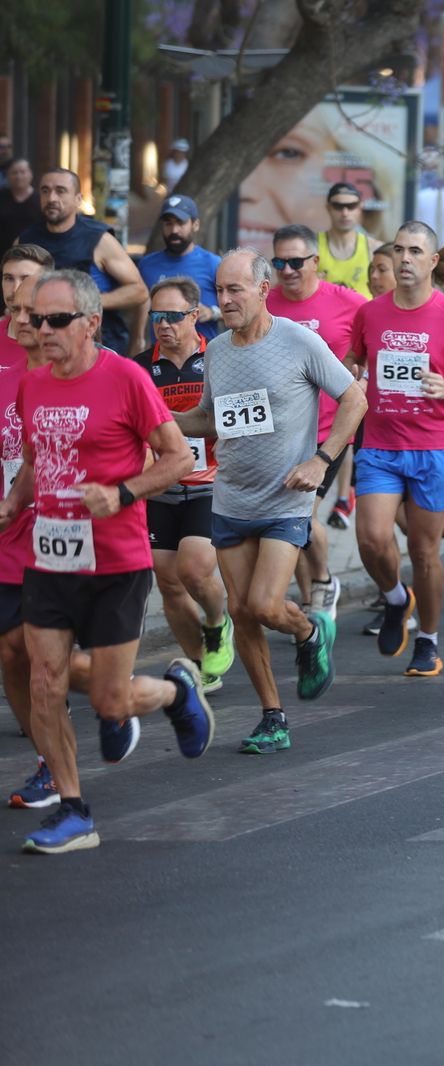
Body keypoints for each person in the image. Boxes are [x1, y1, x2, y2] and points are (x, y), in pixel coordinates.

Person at [0, 269, 214, 853]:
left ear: (93, 323)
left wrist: (121, 493)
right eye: (36, 319)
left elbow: (175, 458)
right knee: (46, 681)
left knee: (110, 701)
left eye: (57, 320)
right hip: (50, 557)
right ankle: (73, 810)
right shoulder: (34, 385)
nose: (42, 330)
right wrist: (13, 502)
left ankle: (174, 692)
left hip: (116, 562)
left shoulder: (126, 379)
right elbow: (32, 461)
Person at [171, 249, 365, 753]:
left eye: (236, 290)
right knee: (242, 610)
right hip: (231, 497)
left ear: (262, 290)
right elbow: (211, 418)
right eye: (220, 290)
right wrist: (160, 423)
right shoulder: (215, 351)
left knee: (264, 603)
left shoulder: (299, 341)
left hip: (286, 499)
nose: (226, 299)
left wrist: (322, 460)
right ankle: (272, 716)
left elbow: (355, 399)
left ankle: (306, 632)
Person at [347, 221, 444, 678]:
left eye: (414, 252)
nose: (405, 259)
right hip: (381, 443)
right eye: (399, 250)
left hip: (433, 446)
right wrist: (353, 379)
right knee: (371, 538)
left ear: (432, 261)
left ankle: (428, 638)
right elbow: (353, 363)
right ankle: (393, 597)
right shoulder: (371, 313)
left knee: (425, 552)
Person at [265, 223, 369, 613]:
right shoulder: (266, 301)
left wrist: (358, 368)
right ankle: (312, 601)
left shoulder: (347, 302)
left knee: (301, 517)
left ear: (316, 262)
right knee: (288, 523)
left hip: (329, 430)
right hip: (279, 432)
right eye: (279, 262)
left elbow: (376, 334)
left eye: (296, 261)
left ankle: (324, 581)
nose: (287, 270)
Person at [140, 277, 235, 692]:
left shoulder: (219, 357)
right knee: (167, 579)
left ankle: (217, 621)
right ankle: (201, 665)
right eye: (156, 317)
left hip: (209, 483)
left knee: (194, 569)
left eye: (173, 316)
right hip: (161, 485)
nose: (164, 325)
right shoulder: (141, 366)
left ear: (195, 316)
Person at [18, 168, 147, 356]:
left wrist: (85, 302)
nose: (52, 197)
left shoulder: (98, 239)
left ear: (78, 199)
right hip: (42, 342)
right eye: (45, 191)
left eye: (60, 191)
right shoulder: (26, 239)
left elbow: (139, 291)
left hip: (98, 345)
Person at [136, 195, 223, 342]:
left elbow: (240, 310)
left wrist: (212, 312)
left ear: (195, 224)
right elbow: (141, 308)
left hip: (204, 357)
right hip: (160, 357)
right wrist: (138, 341)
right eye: (168, 224)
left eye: (181, 223)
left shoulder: (214, 264)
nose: (174, 230)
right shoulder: (147, 265)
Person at [317, 182, 375, 297]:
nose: (345, 213)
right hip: (323, 314)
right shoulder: (310, 246)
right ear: (328, 208)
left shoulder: (374, 249)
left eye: (351, 206)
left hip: (362, 314)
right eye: (338, 206)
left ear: (360, 208)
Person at [0, 156, 43, 256]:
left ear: (30, 174)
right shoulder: (2, 197)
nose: (19, 176)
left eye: (23, 172)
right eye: (14, 173)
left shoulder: (40, 200)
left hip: (33, 254)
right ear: (7, 176)